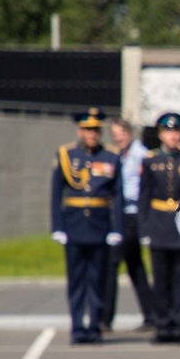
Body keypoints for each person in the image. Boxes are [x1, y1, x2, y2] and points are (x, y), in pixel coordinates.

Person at [50, 109, 124, 344]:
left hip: (100, 226)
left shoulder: (111, 156)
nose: (91, 134)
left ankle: (94, 326)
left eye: (95, 130)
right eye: (87, 130)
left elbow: (118, 195)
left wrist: (117, 228)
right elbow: (55, 193)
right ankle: (77, 326)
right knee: (76, 280)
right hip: (74, 226)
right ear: (79, 131)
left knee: (98, 279)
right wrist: (57, 226)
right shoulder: (66, 155)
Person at [139, 112, 180, 343]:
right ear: (161, 134)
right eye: (168, 131)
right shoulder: (150, 160)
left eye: (177, 131)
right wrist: (144, 230)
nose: (173, 136)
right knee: (161, 281)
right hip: (159, 225)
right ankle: (162, 326)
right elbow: (143, 197)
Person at [99, 117, 158, 332]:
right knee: (135, 267)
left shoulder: (140, 155)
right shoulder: (120, 155)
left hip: (132, 215)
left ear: (129, 133)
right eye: (114, 136)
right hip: (121, 214)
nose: (118, 139)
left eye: (120, 135)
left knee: (111, 263)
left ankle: (105, 318)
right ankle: (151, 315)